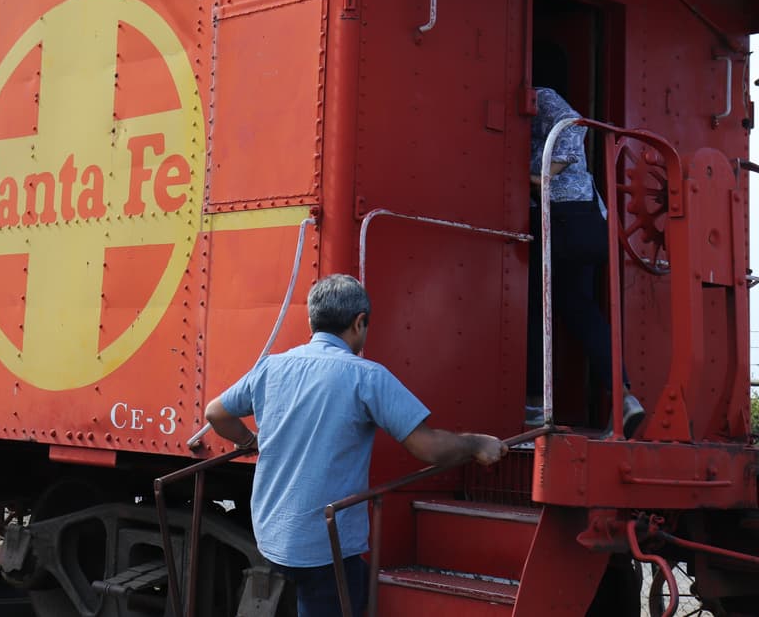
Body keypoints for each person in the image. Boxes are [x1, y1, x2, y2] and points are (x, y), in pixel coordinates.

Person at [205, 274, 507, 617]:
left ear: (312, 321)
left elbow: (215, 413)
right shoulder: (366, 376)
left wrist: (249, 441)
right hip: (324, 546)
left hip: (273, 535)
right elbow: (430, 449)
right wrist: (475, 443)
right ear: (359, 322)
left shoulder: (271, 367)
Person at [527, 45, 643, 437]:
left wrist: (543, 172)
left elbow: (572, 124)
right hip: (588, 220)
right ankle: (623, 395)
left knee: (530, 296)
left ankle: (531, 401)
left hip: (565, 218)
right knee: (580, 309)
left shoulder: (540, 94)